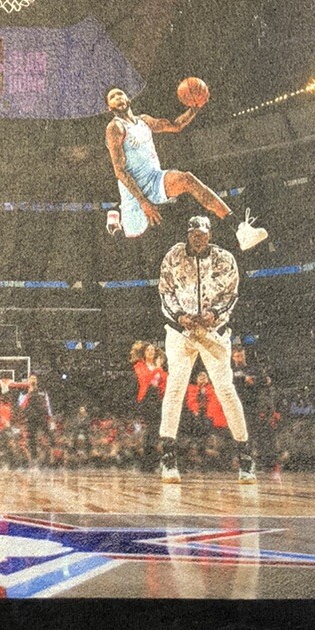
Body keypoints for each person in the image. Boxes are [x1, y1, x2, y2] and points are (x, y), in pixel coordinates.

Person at [102, 86, 267, 250]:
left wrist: (195, 108)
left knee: (187, 179)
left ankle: (240, 228)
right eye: (112, 97)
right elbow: (119, 171)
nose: (117, 97)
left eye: (120, 94)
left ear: (128, 99)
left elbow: (175, 125)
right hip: (133, 191)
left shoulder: (144, 120)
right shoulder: (115, 128)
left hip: (155, 178)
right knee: (128, 240)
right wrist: (143, 202)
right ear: (109, 107)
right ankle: (114, 222)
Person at [156, 214, 256, 483]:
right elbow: (165, 292)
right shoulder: (174, 256)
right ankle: (168, 459)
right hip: (182, 332)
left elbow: (231, 295)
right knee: (175, 388)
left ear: (209, 234)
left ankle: (245, 458)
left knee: (226, 390)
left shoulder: (224, 259)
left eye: (201, 233)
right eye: (193, 234)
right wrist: (179, 316)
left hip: (213, 331)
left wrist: (215, 313)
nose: (197, 238)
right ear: (188, 235)